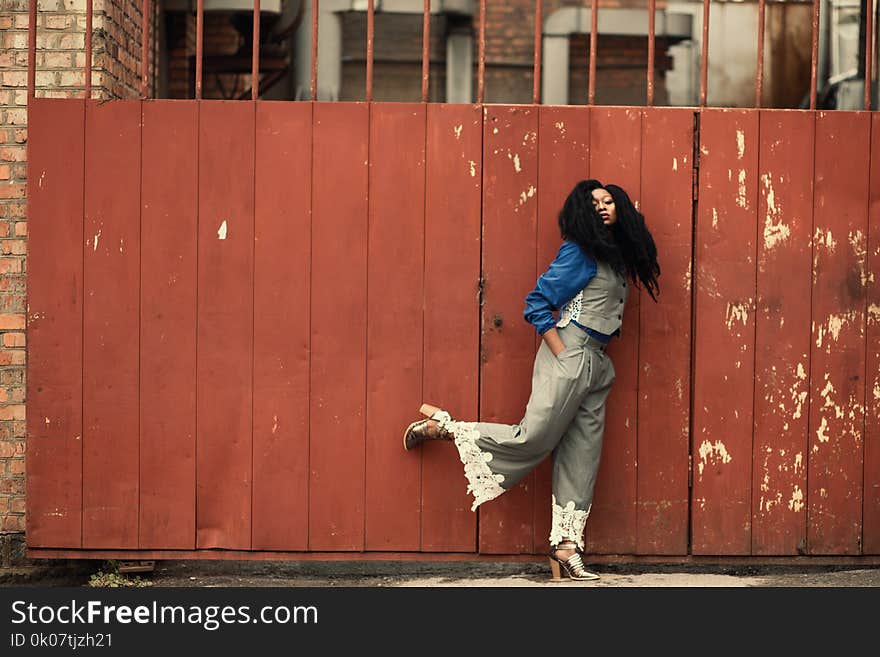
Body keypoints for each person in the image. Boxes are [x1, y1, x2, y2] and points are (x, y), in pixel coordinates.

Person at [403, 179, 660, 581]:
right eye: (595, 204)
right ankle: (444, 427)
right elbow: (537, 303)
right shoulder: (580, 252)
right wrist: (564, 354)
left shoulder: (614, 257)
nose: (604, 208)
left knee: (582, 457)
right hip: (572, 353)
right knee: (534, 436)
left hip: (598, 363)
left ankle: (566, 548)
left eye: (610, 202)